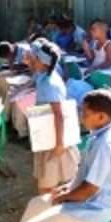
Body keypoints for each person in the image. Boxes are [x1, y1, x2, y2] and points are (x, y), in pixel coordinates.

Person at [15, 89, 111, 222]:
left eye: (86, 114)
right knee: (35, 204)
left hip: (93, 211)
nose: (82, 118)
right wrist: (66, 188)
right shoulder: (98, 133)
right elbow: (84, 178)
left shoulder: (105, 145)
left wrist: (64, 197)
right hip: (84, 201)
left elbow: (89, 189)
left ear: (101, 117)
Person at [30, 39, 80, 194]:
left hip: (54, 138)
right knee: (49, 176)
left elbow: (59, 115)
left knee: (50, 181)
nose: (34, 61)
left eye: (36, 59)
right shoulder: (45, 75)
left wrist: (59, 143)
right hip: (47, 134)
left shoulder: (50, 83)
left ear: (44, 62)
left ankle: (50, 209)